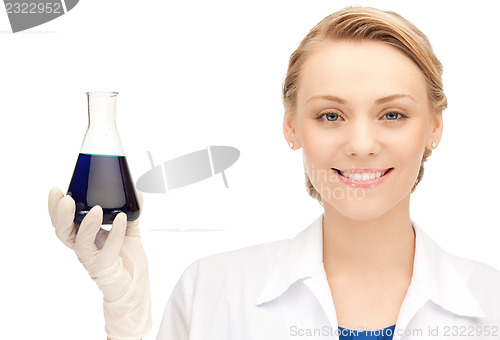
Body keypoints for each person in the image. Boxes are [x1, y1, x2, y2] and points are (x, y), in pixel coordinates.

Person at [48, 6, 500, 340]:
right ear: (291, 125)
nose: (362, 144)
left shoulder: (491, 304)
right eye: (330, 116)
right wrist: (127, 318)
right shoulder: (211, 291)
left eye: (394, 115)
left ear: (435, 126)